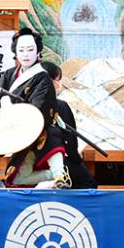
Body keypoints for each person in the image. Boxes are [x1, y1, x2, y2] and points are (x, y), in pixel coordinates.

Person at [0, 27, 69, 188]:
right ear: (15, 52)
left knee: (51, 138)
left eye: (30, 49)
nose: (26, 54)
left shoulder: (43, 78)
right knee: (15, 179)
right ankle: (50, 177)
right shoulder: (9, 75)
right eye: (21, 50)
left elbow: (39, 107)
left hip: (36, 130)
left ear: (38, 51)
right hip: (15, 130)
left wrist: (10, 107)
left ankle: (59, 174)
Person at [41, 61, 98, 189]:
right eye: (57, 80)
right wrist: (76, 159)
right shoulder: (60, 105)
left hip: (28, 163)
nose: (59, 84)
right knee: (88, 184)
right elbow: (70, 139)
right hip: (55, 159)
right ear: (49, 81)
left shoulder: (24, 104)